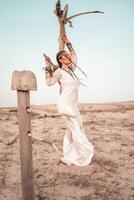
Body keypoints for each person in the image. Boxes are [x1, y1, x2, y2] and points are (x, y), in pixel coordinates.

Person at [44, 34, 94, 166]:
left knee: (72, 130)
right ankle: (83, 155)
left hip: (73, 105)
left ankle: (69, 155)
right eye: (65, 55)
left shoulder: (72, 71)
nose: (69, 56)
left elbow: (75, 56)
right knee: (75, 129)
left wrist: (68, 43)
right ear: (61, 60)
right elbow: (49, 82)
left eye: (67, 54)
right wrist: (47, 68)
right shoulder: (59, 72)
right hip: (64, 105)